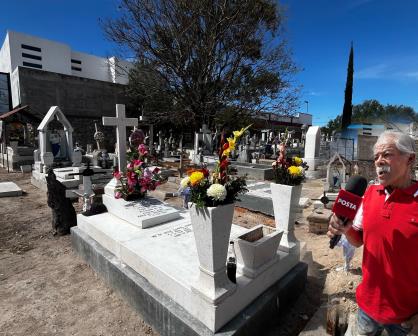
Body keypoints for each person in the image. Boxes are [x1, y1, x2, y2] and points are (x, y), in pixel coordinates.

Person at [328, 131, 418, 336]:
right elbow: (358, 240)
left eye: (386, 154)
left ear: (410, 158)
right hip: (367, 307)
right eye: (376, 157)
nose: (379, 162)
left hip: (407, 318)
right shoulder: (369, 193)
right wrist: (346, 229)